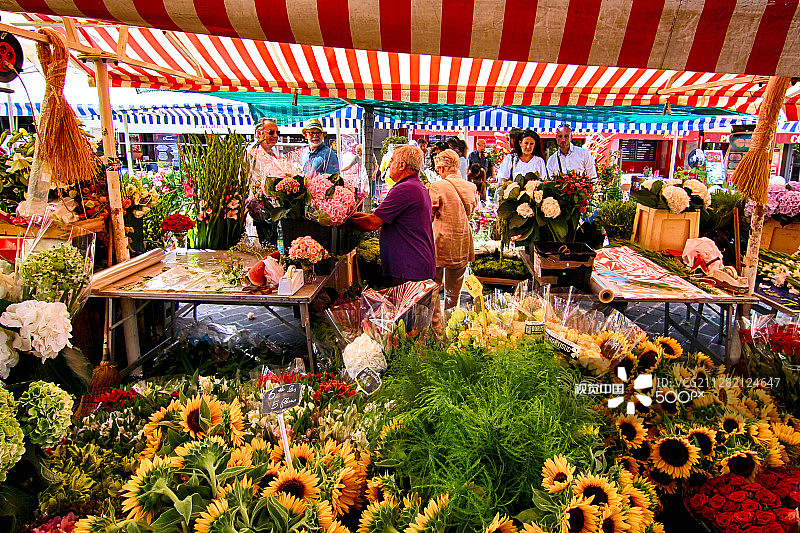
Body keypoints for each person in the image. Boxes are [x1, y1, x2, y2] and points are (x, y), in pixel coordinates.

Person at [347, 145, 435, 284]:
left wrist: (342, 221)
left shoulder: (404, 189)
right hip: (415, 265)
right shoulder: (415, 186)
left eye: (392, 160)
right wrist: (352, 215)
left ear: (402, 165)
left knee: (405, 306)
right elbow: (376, 217)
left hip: (409, 268)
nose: (389, 164)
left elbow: (372, 223)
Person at [429, 149, 477, 329]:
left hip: (439, 240)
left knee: (433, 287)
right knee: (454, 290)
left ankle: (435, 327)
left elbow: (429, 213)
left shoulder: (437, 186)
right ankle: (451, 324)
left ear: (441, 167)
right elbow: (470, 213)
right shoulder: (471, 187)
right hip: (461, 240)